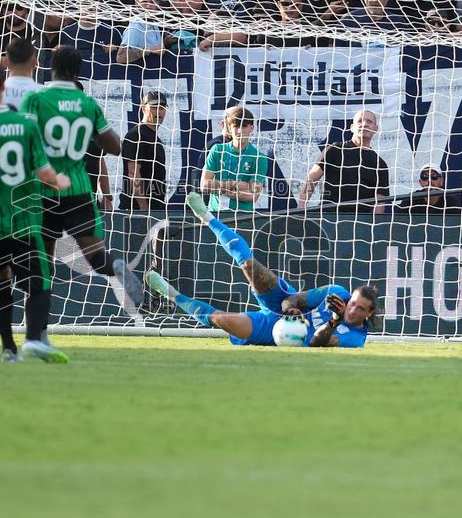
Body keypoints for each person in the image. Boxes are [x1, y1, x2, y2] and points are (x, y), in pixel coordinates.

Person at [146, 191, 377, 347]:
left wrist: (334, 322)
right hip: (280, 306)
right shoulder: (337, 293)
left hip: (275, 333)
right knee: (250, 266)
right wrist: (291, 310)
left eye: (360, 308)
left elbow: (318, 343)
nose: (352, 309)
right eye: (354, 302)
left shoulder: (356, 338)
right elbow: (292, 300)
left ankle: (171, 294)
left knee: (221, 320)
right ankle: (207, 217)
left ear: (369, 314)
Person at [20, 45, 145, 315]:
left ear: (51, 67)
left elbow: (23, 142)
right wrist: (92, 130)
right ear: (78, 71)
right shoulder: (89, 105)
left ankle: (38, 329)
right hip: (79, 189)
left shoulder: (36, 100)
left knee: (42, 262)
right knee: (98, 259)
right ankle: (117, 267)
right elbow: (114, 147)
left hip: (43, 189)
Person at [0, 59, 73, 363]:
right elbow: (45, 173)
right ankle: (35, 337)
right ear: (3, 86)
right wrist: (60, 181)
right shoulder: (25, 125)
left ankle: (8, 349)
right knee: (38, 280)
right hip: (21, 218)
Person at [298, 109, 390, 213]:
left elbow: (380, 202)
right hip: (328, 217)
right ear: (352, 128)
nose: (364, 124)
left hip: (361, 222)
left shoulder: (380, 165)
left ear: (376, 128)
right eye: (360, 121)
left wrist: (373, 225)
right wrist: (301, 208)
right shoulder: (334, 150)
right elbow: (311, 179)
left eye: (369, 121)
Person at [201, 106, 268, 213]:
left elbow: (253, 196)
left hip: (243, 217)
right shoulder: (217, 150)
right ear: (229, 127)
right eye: (236, 126)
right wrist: (238, 185)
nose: (240, 131)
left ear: (252, 128)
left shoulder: (259, 157)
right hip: (215, 214)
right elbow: (204, 185)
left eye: (244, 126)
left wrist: (221, 188)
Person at [121, 90, 168, 211]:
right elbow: (133, 173)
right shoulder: (136, 135)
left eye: (162, 107)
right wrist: (143, 206)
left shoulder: (155, 138)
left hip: (155, 206)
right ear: (143, 108)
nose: (158, 112)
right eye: (154, 107)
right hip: (136, 209)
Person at [396, 165, 462, 214]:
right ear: (420, 182)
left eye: (434, 177)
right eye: (425, 177)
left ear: (442, 181)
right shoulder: (410, 200)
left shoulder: (451, 201)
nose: (429, 180)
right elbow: (398, 225)